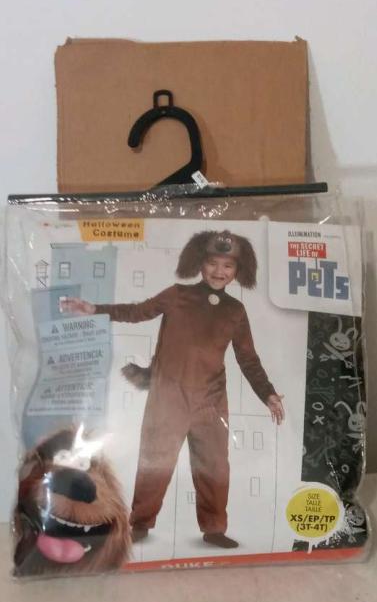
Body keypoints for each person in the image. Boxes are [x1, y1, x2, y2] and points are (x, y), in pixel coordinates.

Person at [61, 229, 285, 549]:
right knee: (156, 459)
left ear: (238, 271)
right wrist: (95, 309)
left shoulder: (235, 310)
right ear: (199, 263)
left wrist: (268, 394)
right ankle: (140, 523)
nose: (219, 271)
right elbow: (137, 312)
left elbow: (248, 359)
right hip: (168, 397)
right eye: (212, 263)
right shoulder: (177, 295)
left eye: (228, 266)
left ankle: (214, 529)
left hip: (211, 402)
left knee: (214, 465)